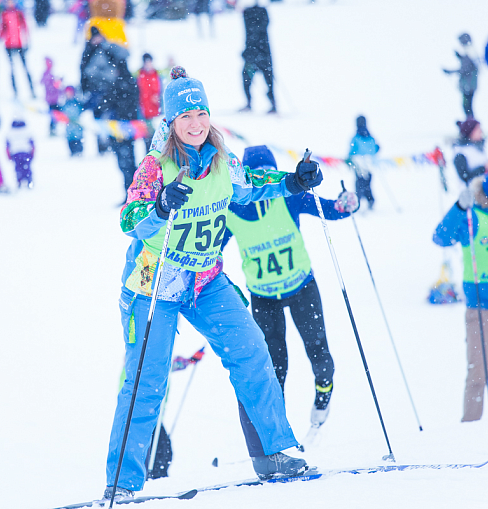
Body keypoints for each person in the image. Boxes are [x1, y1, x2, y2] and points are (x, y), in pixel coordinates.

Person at [101, 66, 321, 502]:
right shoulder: (155, 166)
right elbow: (129, 220)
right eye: (185, 117)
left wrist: (294, 182)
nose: (196, 124)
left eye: (201, 113)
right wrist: (161, 207)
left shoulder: (223, 161)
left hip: (205, 280)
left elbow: (253, 186)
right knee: (147, 380)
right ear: (170, 122)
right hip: (153, 283)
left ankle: (276, 452)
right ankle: (122, 482)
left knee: (252, 351)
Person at [221, 145, 359, 427]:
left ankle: (320, 396)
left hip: (299, 288)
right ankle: (279, 424)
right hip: (265, 297)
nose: (263, 177)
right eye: (256, 175)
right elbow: (210, 252)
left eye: (267, 173)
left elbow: (331, 210)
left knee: (313, 352)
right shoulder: (235, 209)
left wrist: (346, 204)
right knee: (276, 365)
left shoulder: (282, 198)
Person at [433, 168, 488, 422]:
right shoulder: (472, 218)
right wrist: (457, 209)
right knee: (478, 375)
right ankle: (469, 430)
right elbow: (441, 238)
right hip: (484, 310)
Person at [80, 26, 128, 154]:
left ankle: (112, 143)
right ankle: (101, 146)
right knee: (98, 120)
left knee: (111, 118)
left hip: (110, 90)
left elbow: (124, 55)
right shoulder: (88, 51)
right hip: (95, 91)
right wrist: (84, 88)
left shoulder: (109, 48)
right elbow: (83, 70)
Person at [109, 58, 139, 203]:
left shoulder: (118, 84)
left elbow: (110, 103)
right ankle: (133, 193)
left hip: (121, 128)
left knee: (125, 164)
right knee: (128, 163)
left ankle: (130, 195)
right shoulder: (131, 82)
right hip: (129, 128)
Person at [240, 3, 276, 114]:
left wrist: (248, 52)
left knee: (250, 77)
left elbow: (253, 35)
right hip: (261, 52)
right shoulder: (259, 12)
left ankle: (252, 103)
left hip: (256, 54)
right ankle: (272, 103)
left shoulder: (249, 13)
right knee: (266, 78)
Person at [0, 0, 35, 98]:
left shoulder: (19, 13)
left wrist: (27, 40)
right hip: (9, 45)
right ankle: (15, 92)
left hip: (19, 44)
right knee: (12, 69)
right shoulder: (4, 14)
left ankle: (32, 90)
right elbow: (2, 29)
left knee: (25, 67)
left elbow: (25, 27)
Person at [453, 118, 488, 184]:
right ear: (471, 132)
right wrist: (484, 168)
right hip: (470, 192)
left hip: (482, 189)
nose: (481, 132)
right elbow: (465, 177)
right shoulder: (460, 152)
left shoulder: (477, 146)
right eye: (478, 129)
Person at [443, 33, 479, 118]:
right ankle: (471, 125)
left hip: (469, 85)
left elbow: (465, 69)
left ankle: (471, 125)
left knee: (467, 106)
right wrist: (460, 57)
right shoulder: (471, 51)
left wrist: (450, 71)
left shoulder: (468, 51)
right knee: (468, 105)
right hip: (470, 84)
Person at [347, 115, 379, 210]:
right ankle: (370, 200)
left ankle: (358, 202)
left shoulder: (356, 137)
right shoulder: (370, 137)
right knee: (367, 184)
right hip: (369, 164)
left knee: (359, 184)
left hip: (359, 163)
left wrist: (349, 159)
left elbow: (352, 151)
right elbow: (374, 150)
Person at [136, 53, 162, 153]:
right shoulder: (139, 75)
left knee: (158, 139)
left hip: (157, 112)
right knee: (147, 139)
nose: (148, 64)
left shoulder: (158, 74)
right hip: (144, 113)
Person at [6, 119, 34, 189]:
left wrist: (9, 156)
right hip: (26, 152)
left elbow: (7, 146)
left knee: (18, 167)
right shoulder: (27, 132)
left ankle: (19, 180)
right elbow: (32, 144)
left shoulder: (10, 133)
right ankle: (29, 180)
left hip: (15, 153)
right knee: (27, 167)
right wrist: (32, 154)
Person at [61, 86, 85, 156]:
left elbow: (81, 110)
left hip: (77, 125)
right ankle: (73, 152)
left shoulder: (77, 102)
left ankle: (79, 151)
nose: (68, 94)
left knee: (77, 139)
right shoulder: (65, 103)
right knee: (70, 139)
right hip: (69, 126)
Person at [40, 57, 61, 136]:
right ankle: (52, 130)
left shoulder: (47, 74)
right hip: (53, 99)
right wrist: (57, 83)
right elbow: (52, 86)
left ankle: (53, 129)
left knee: (54, 115)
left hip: (52, 98)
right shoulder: (48, 74)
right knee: (54, 115)